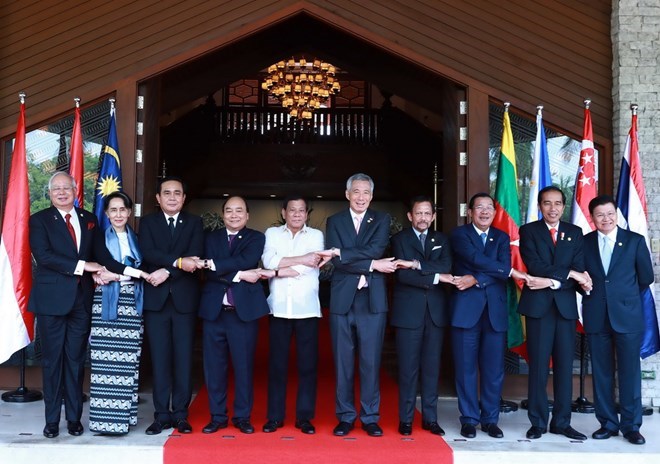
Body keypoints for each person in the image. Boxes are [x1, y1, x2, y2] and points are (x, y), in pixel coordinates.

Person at [28, 172, 104, 438]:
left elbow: (98, 256)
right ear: (49, 194)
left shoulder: (90, 219)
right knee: (52, 362)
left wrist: (103, 270)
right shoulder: (39, 220)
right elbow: (44, 257)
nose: (61, 192)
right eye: (56, 189)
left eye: (66, 188)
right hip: (51, 302)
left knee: (75, 361)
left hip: (82, 301)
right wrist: (84, 266)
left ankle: (74, 418)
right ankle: (51, 421)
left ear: (75, 190)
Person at [323, 173, 397, 437]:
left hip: (372, 300)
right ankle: (345, 416)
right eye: (356, 191)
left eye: (366, 192)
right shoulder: (334, 221)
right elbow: (337, 261)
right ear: (347, 194)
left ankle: (370, 417)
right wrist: (370, 265)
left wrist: (347, 253)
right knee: (343, 362)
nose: (361, 197)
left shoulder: (381, 219)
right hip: (343, 299)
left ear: (372, 196)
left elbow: (377, 249)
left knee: (370, 361)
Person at [449, 193, 528, 439]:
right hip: (466, 311)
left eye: (489, 208)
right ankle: (469, 419)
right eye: (479, 207)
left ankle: (490, 420)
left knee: (493, 370)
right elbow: (475, 258)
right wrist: (504, 270)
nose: (484, 212)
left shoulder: (502, 238)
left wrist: (475, 278)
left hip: (495, 312)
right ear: (470, 212)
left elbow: (500, 271)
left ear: (494, 214)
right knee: (466, 368)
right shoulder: (460, 235)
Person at [518, 185, 591, 440]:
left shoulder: (575, 232)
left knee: (563, 367)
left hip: (565, 309)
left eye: (558, 203)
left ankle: (562, 422)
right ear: (540, 206)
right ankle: (538, 421)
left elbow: (580, 268)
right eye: (547, 203)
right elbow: (535, 264)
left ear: (563, 206)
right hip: (538, 308)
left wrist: (554, 281)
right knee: (538, 366)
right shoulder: (528, 231)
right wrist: (569, 274)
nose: (553, 208)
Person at [580, 195, 653, 445]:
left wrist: (622, 297)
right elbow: (580, 279)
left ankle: (631, 426)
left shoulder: (634, 241)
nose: (606, 219)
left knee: (630, 372)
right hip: (596, 315)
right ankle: (608, 423)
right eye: (600, 215)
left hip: (627, 316)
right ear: (592, 218)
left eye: (610, 213)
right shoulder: (584, 243)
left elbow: (646, 278)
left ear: (616, 214)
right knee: (602, 373)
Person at [197, 196, 270, 435]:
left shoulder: (256, 237)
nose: (234, 215)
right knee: (214, 368)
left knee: (243, 367)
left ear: (247, 215)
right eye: (229, 211)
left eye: (239, 211)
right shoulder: (210, 238)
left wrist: (216, 264)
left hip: (243, 313)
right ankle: (217, 417)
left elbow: (246, 260)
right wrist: (239, 275)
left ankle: (242, 417)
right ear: (223, 214)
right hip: (214, 312)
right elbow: (208, 270)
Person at [138, 176, 204, 435]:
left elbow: (195, 255)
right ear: (158, 198)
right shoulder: (149, 222)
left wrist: (167, 271)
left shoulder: (194, 223)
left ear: (184, 198)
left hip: (184, 302)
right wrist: (176, 264)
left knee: (183, 359)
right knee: (160, 359)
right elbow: (148, 252)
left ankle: (181, 414)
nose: (173, 197)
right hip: (156, 302)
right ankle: (161, 415)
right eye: (167, 193)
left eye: (178, 192)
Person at [259, 195, 325, 435]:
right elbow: (268, 261)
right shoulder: (272, 233)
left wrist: (280, 269)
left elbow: (314, 262)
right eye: (292, 210)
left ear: (307, 214)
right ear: (284, 212)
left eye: (301, 210)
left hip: (307, 309)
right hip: (279, 308)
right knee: (277, 366)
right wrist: (297, 262)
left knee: (307, 366)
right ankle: (275, 417)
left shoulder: (316, 236)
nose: (297, 214)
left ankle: (304, 418)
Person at [88, 191, 152, 435]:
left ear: (129, 212)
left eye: (122, 210)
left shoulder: (137, 237)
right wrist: (138, 274)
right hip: (106, 301)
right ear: (106, 213)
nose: (118, 214)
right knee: (106, 362)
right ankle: (104, 421)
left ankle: (124, 418)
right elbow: (108, 262)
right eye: (112, 210)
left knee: (128, 362)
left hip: (132, 303)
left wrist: (133, 273)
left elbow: (144, 263)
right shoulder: (98, 236)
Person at [390, 196, 453, 437]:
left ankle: (430, 418)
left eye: (428, 214)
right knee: (408, 369)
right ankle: (405, 419)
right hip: (408, 313)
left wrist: (416, 265)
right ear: (410, 216)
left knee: (431, 368)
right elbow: (402, 276)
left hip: (435, 313)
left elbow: (447, 266)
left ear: (433, 216)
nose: (423, 218)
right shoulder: (399, 240)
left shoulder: (442, 240)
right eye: (419, 213)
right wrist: (436, 276)